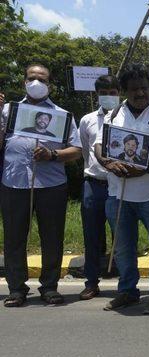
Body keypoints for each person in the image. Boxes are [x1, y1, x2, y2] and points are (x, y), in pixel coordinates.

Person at [94, 63, 149, 315]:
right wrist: (107, 162)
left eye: (144, 88)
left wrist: (148, 168)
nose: (140, 93)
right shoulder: (112, 114)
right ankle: (127, 291)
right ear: (124, 91)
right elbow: (99, 145)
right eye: (133, 89)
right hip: (119, 194)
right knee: (122, 248)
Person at [1, 64, 82, 307]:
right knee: (14, 239)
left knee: (52, 237)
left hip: (51, 185)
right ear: (24, 82)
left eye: (42, 78)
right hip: (13, 183)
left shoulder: (62, 114)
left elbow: (76, 150)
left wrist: (53, 155)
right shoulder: (8, 110)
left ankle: (49, 287)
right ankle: (16, 289)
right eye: (31, 77)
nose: (36, 81)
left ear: (50, 84)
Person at [77, 74, 120, 300]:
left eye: (113, 93)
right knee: (91, 236)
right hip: (93, 185)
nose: (109, 97)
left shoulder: (126, 118)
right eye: (104, 93)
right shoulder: (87, 120)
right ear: (97, 95)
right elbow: (85, 151)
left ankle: (126, 284)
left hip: (119, 185)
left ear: (119, 94)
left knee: (122, 237)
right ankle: (91, 282)